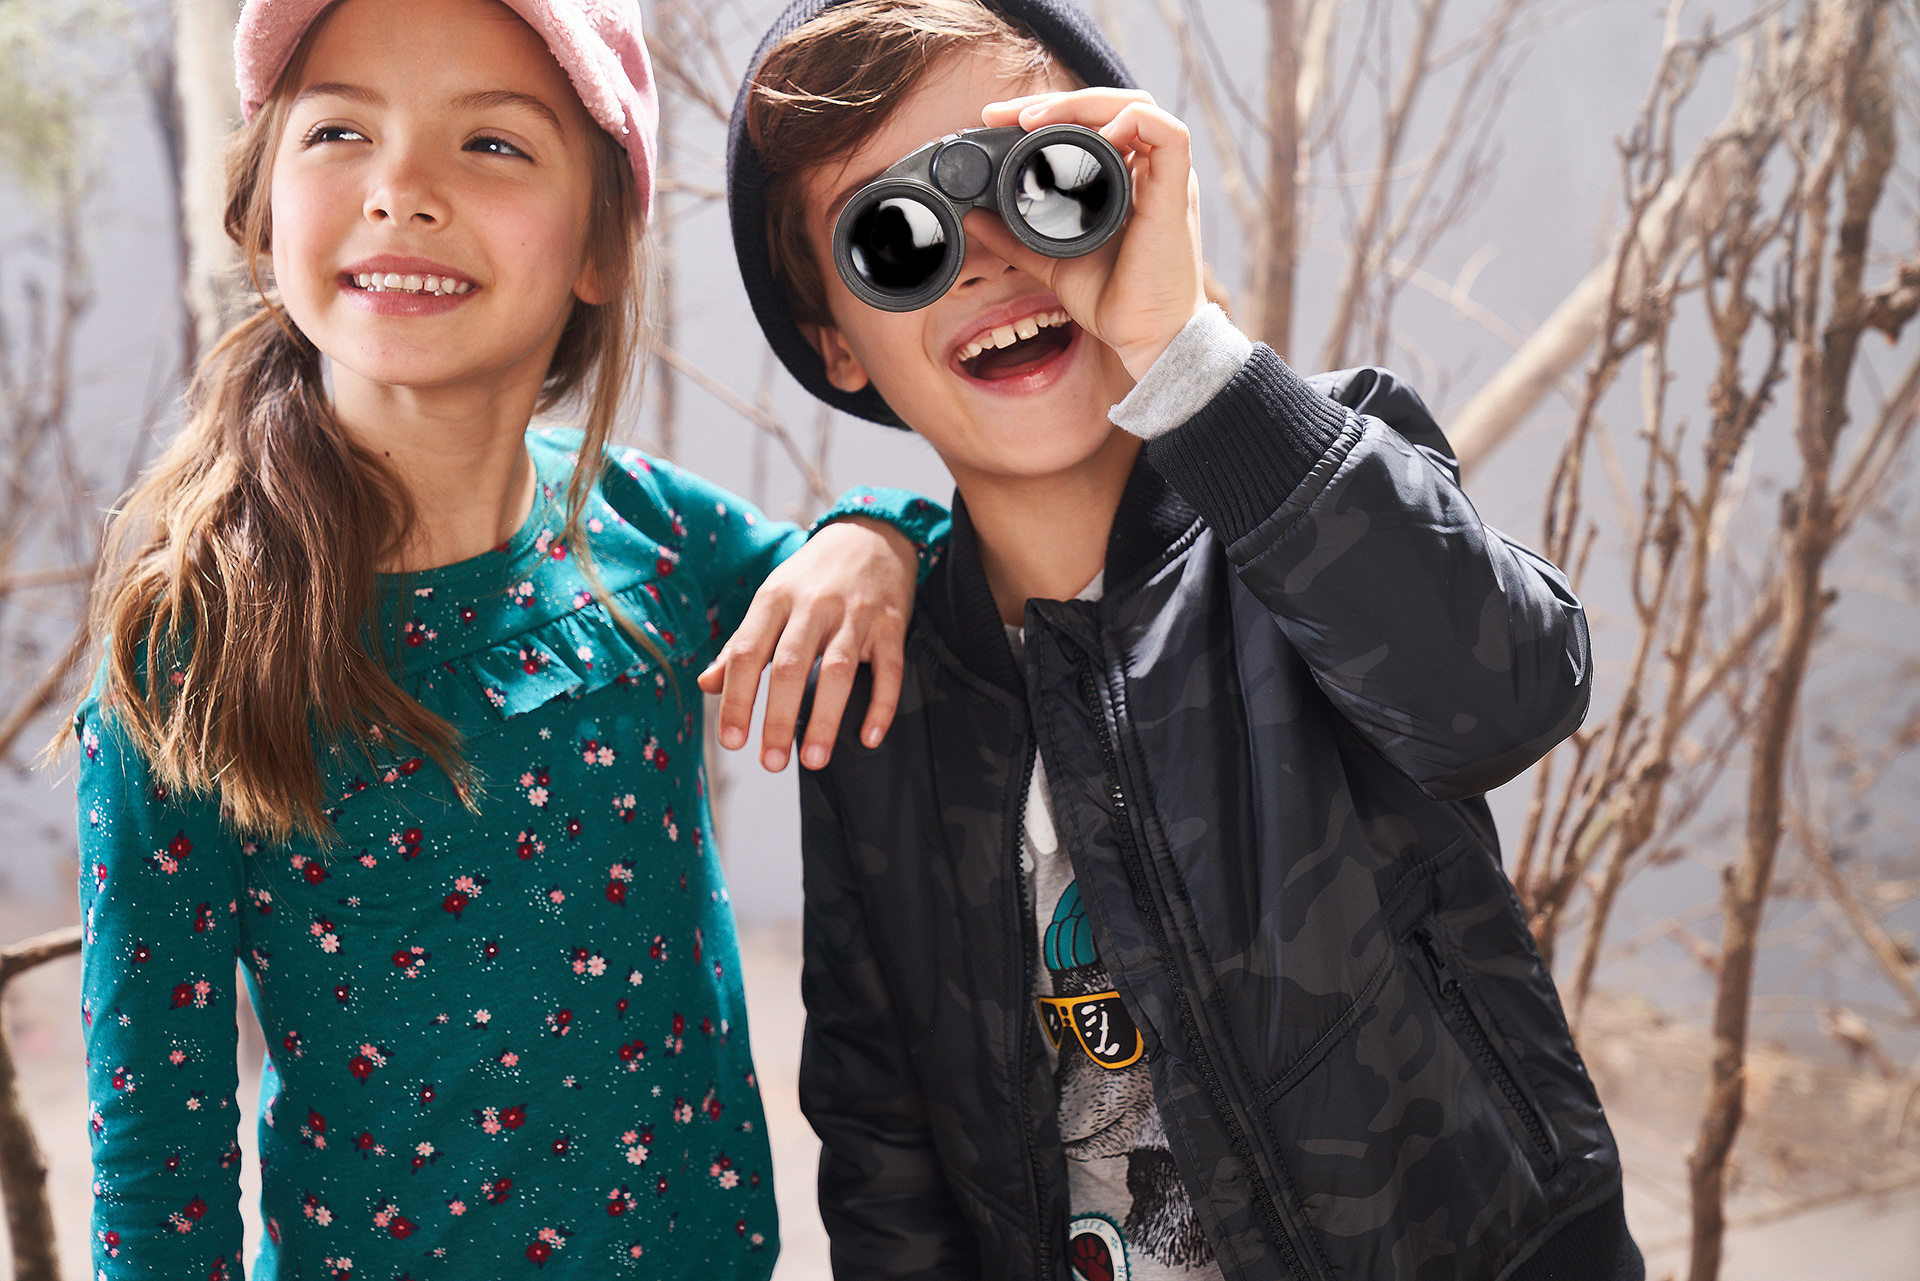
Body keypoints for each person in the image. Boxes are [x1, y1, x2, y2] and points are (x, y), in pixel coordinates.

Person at [724, 2, 1643, 1278]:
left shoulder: (1308, 491)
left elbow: (1509, 700)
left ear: (1134, 190)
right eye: (898, 236)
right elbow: (882, 1139)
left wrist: (1188, 355)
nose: (987, 256)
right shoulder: (884, 688)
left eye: (1039, 179)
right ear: (837, 343)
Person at [73, 1, 949, 1277]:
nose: (400, 191)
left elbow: (904, 577)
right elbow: (159, 1165)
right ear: (262, 210)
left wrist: (874, 532)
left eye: (490, 143)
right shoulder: (190, 657)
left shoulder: (653, 533)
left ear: (603, 243)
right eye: (339, 132)